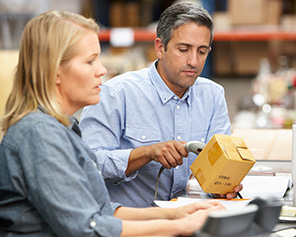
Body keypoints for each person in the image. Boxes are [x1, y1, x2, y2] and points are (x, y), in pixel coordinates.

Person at [0, 10, 226, 236]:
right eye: (90, 61)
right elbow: (86, 228)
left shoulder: (63, 128)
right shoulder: (40, 135)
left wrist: (178, 213)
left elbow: (100, 211)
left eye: (202, 51)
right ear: (55, 70)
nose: (102, 70)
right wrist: (179, 226)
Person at [79, 2, 242, 208]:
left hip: (186, 219)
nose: (193, 61)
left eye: (202, 52)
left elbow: (219, 168)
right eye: (183, 49)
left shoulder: (212, 95)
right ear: (160, 48)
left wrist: (222, 186)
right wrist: (146, 153)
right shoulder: (117, 94)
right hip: (131, 224)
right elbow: (87, 164)